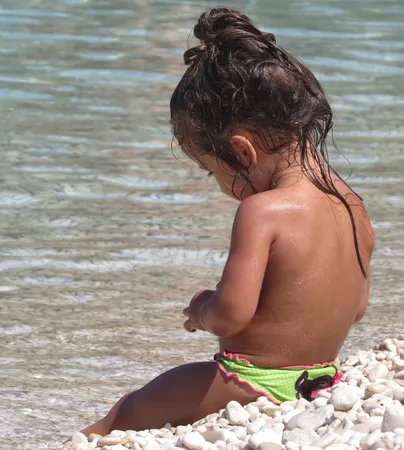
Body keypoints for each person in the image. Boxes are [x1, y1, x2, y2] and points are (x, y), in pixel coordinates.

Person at [80, 7, 375, 436]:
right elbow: (358, 308)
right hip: (321, 382)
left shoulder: (262, 211)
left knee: (133, 407)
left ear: (243, 152)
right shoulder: (352, 203)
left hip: (251, 383)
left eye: (210, 170)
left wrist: (203, 307)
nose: (219, 185)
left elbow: (232, 315)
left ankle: (86, 440)